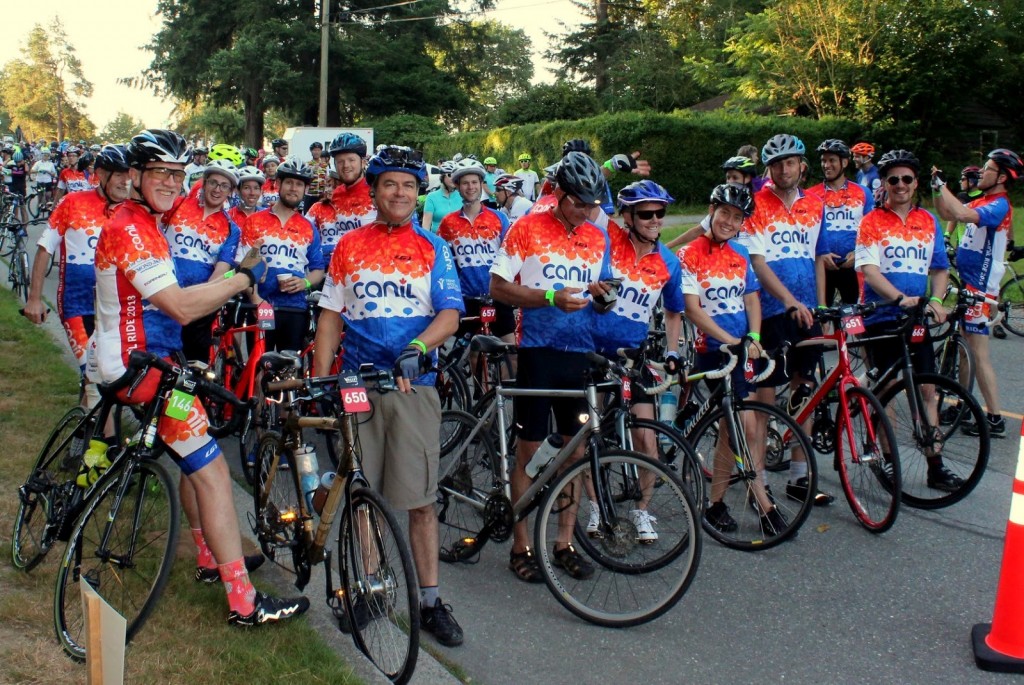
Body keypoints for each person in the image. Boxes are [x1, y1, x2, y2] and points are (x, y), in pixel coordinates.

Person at [93, 128, 308, 625]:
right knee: (211, 472)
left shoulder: (147, 221)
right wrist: (245, 277)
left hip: (147, 357)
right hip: (142, 368)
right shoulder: (133, 228)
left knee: (197, 456)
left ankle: (210, 556)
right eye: (159, 173)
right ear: (134, 175)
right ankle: (244, 601)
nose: (170, 183)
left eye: (176, 174)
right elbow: (183, 306)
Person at [313, 145, 466, 647]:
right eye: (390, 184)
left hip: (412, 386)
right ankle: (372, 586)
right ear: (374, 190)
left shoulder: (433, 247)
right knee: (364, 494)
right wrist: (320, 380)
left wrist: (418, 348)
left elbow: (450, 314)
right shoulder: (349, 245)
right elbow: (330, 316)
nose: (399, 193)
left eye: (408, 185)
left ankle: (430, 601)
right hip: (357, 385)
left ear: (418, 192)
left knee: (420, 500)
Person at [490, 151, 614, 584]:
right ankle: (520, 545)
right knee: (529, 453)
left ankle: (564, 543)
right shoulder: (527, 228)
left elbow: (604, 291)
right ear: (558, 193)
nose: (586, 211)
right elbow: (498, 287)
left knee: (574, 454)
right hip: (537, 350)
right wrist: (549, 298)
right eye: (578, 202)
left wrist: (603, 297)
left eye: (592, 204)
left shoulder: (597, 236)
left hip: (579, 353)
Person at [679, 183, 784, 532]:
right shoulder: (691, 253)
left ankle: (717, 503)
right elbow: (692, 309)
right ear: (711, 211)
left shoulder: (739, 252)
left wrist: (754, 337)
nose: (729, 221)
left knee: (733, 427)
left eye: (737, 217)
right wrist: (731, 341)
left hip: (741, 350)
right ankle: (762, 503)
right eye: (724, 212)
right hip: (714, 352)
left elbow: (751, 298)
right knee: (743, 426)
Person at [855, 149, 959, 488]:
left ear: (915, 184)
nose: (900, 185)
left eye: (907, 179)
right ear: (884, 184)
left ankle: (935, 466)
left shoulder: (928, 221)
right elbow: (869, 271)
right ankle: (887, 461)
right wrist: (899, 298)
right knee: (886, 391)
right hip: (882, 318)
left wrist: (937, 300)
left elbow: (940, 268)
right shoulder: (871, 221)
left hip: (916, 318)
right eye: (893, 179)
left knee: (927, 389)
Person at [591, 179, 685, 541]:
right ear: (628, 217)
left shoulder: (668, 262)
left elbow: (674, 311)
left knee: (647, 439)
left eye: (660, 212)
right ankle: (596, 508)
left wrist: (673, 351)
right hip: (594, 352)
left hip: (634, 355)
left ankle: (642, 511)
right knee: (588, 436)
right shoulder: (606, 242)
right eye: (646, 214)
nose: (656, 219)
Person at [743, 133, 834, 507]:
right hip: (770, 312)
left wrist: (822, 307)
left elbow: (818, 258)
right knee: (764, 400)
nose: (784, 169)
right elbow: (757, 263)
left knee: (804, 393)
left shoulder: (815, 204)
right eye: (777, 164)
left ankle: (800, 477)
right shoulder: (755, 205)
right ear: (769, 169)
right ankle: (759, 483)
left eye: (790, 162)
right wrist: (788, 300)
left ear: (801, 165)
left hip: (806, 311)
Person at [24, 145, 132, 405]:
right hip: (77, 304)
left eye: (129, 174)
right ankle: (94, 425)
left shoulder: (132, 210)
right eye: (119, 174)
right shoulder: (73, 202)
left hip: (116, 308)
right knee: (94, 379)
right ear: (101, 174)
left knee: (115, 378)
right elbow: (45, 249)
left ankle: (88, 418)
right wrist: (34, 299)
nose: (125, 181)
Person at [932, 148, 1022, 438]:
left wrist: (941, 185)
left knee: (978, 354)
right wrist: (936, 188)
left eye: (988, 168)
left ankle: (994, 417)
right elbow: (947, 212)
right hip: (970, 285)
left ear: (1002, 177)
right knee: (966, 351)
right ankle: (963, 404)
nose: (982, 172)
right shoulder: (983, 200)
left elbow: (959, 212)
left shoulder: (999, 205)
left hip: (980, 289)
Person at [236, 159, 324, 353]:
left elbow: (318, 270)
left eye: (299, 184)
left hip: (295, 309)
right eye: (289, 182)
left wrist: (305, 283)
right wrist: (255, 299)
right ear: (278, 184)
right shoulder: (254, 221)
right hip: (262, 304)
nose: (293, 188)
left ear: (305, 189)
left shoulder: (309, 227)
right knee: (260, 364)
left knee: (290, 366)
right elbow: (243, 266)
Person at [163, 158, 242, 363]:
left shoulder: (231, 229)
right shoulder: (178, 204)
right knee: (161, 358)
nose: (217, 189)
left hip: (196, 306)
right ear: (204, 183)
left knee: (194, 366)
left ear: (230, 191)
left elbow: (222, 269)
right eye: (213, 182)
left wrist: (202, 299)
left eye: (224, 186)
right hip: (163, 294)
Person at [438, 158, 515, 345]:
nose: (470, 187)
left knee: (511, 350)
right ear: (457, 186)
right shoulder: (448, 222)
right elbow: (443, 261)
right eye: (465, 183)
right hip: (467, 297)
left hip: (497, 294)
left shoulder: (499, 218)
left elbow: (511, 254)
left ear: (481, 184)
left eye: (474, 182)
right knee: (473, 351)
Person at [806, 139, 873, 305]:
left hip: (852, 266)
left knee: (855, 314)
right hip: (821, 267)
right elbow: (805, 232)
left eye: (831, 160)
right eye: (823, 160)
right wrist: (819, 254)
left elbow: (872, 230)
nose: (826, 165)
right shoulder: (810, 195)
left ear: (844, 162)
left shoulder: (863, 193)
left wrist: (858, 253)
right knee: (823, 314)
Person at [665, 156, 757, 251]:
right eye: (728, 177)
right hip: (728, 255)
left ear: (748, 178)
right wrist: (667, 246)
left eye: (735, 178)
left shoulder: (758, 205)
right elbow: (698, 230)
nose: (730, 181)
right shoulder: (725, 204)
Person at [327, 132, 377, 237]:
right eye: (340, 161)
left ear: (363, 162)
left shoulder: (377, 193)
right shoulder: (335, 194)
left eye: (351, 160)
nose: (346, 165)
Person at [304, 168, 342, 265]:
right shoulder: (317, 207)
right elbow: (303, 228)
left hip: (345, 258)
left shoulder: (353, 209)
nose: (329, 190)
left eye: (334, 187)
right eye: (328, 186)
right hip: (323, 259)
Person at [422, 161, 461, 233]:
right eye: (449, 175)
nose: (453, 178)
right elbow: (426, 226)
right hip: (437, 238)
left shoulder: (462, 196)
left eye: (455, 175)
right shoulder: (431, 197)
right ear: (442, 177)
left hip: (459, 237)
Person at [305, 141, 330, 210]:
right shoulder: (307, 164)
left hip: (321, 195)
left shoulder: (325, 165)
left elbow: (327, 179)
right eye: (315, 150)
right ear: (311, 151)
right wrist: (313, 170)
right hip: (310, 194)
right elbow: (305, 179)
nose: (316, 152)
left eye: (318, 150)